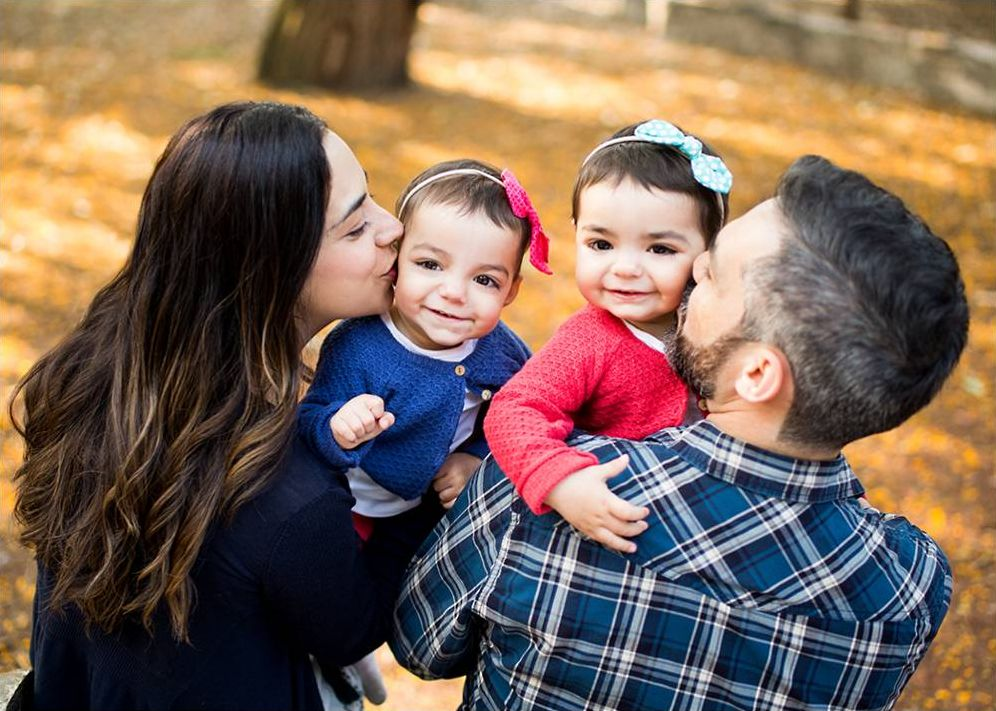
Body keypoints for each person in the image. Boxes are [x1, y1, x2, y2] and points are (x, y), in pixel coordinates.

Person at [391, 155, 969, 711]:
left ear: (759, 373)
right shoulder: (908, 584)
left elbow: (421, 646)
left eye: (712, 275)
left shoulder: (549, 492)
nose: (689, 271)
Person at [11, 101, 434, 710]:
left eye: (370, 198)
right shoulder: (287, 492)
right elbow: (352, 628)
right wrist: (420, 484)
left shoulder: (93, 371)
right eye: (354, 225)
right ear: (274, 271)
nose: (392, 226)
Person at [297, 158, 548, 703]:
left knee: (397, 603)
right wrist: (338, 429)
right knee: (327, 601)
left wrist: (478, 456)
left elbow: (519, 408)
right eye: (431, 264)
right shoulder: (361, 345)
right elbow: (310, 420)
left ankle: (359, 653)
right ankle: (326, 659)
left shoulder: (500, 350)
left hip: (420, 511)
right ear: (397, 263)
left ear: (510, 292)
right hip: (350, 503)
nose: (454, 293)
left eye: (484, 279)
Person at [484, 119, 732, 553]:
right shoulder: (590, 341)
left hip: (703, 519)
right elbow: (515, 409)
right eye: (601, 244)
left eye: (659, 249)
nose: (626, 268)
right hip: (609, 524)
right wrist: (561, 480)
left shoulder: (720, 328)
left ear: (708, 255)